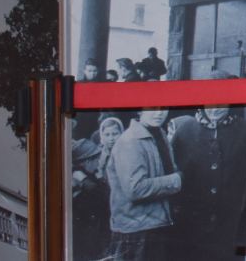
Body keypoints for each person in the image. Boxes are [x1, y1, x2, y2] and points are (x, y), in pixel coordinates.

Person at [169, 75, 246, 256]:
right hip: (193, 222)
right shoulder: (185, 131)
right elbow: (175, 172)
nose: (215, 108)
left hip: (232, 221)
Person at [106, 109, 180, 260]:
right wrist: (176, 180)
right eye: (152, 107)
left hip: (155, 224)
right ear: (140, 110)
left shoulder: (159, 134)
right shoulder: (130, 141)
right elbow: (135, 189)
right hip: (137, 231)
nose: (159, 113)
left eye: (163, 107)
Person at [71, 117, 122, 260]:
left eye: (115, 134)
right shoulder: (90, 179)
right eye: (107, 134)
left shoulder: (124, 154)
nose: (111, 138)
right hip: (99, 220)